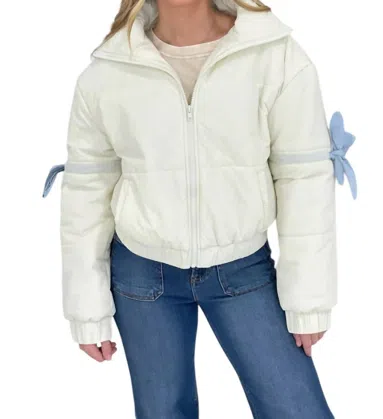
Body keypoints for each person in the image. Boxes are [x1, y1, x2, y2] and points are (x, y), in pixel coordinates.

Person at [42, 0, 356, 417]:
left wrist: (308, 299)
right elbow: (87, 189)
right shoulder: (109, 70)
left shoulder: (273, 54)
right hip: (142, 275)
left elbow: (303, 176)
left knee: (295, 408)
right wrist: (86, 308)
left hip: (242, 268)